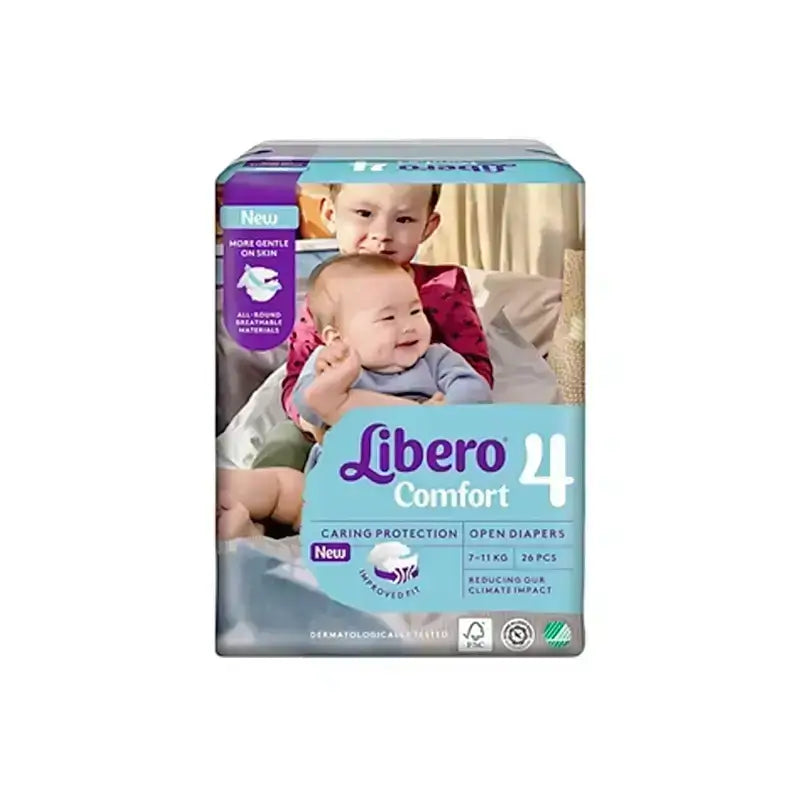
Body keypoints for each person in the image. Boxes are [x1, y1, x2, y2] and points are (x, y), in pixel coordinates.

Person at [218, 254, 491, 539]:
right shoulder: (332, 363)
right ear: (337, 338)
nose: (409, 325)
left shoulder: (437, 359)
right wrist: (331, 377)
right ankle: (231, 507)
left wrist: (446, 414)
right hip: (333, 488)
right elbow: (306, 405)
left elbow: (476, 391)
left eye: (415, 311)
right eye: (388, 317)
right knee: (279, 485)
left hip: (411, 479)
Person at [250, 182, 493, 473]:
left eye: (404, 219)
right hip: (337, 424)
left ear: (428, 226)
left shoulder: (443, 287)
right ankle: (263, 498)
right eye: (364, 213)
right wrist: (317, 422)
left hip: (427, 422)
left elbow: (473, 371)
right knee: (284, 440)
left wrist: (445, 416)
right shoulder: (327, 295)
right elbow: (297, 383)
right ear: (330, 214)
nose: (382, 233)